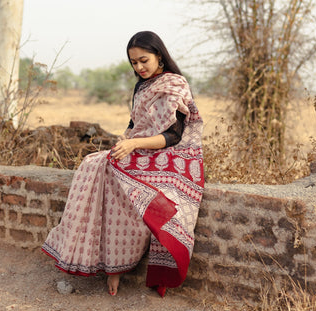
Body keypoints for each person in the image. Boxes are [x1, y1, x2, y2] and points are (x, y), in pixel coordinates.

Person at [42, 31, 204, 297]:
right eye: (133, 63)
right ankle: (102, 262)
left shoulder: (173, 84)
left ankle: (116, 267)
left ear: (159, 56)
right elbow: (133, 124)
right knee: (94, 165)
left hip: (172, 157)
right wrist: (125, 138)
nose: (139, 67)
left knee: (106, 168)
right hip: (141, 148)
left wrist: (133, 145)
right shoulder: (142, 85)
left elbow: (173, 136)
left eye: (144, 60)